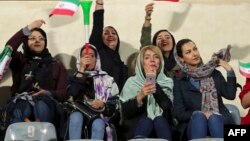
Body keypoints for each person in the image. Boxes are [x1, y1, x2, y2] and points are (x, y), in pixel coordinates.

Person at [5, 19, 67, 125]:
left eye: (41, 38)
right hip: (21, 102)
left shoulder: (56, 65)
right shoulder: (20, 60)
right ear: (26, 42)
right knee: (20, 108)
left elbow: (64, 93)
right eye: (32, 38)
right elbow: (9, 47)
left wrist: (48, 93)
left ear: (45, 42)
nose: (37, 41)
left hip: (47, 103)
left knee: (41, 105)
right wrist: (28, 28)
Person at [173, 39, 237, 140]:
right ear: (181, 58)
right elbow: (178, 113)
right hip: (194, 123)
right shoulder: (180, 81)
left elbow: (230, 95)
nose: (194, 54)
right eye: (188, 52)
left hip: (220, 120)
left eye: (195, 49)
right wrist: (200, 113)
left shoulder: (214, 74)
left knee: (214, 118)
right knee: (199, 117)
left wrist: (228, 69)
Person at [120, 45, 174, 141]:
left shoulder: (167, 81)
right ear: (141, 62)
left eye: (156, 57)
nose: (152, 60)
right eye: (147, 57)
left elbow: (167, 106)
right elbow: (125, 112)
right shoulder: (132, 82)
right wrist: (140, 97)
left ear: (160, 62)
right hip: (136, 126)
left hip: (162, 126)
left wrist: (151, 80)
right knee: (146, 121)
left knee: (159, 120)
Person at [66, 44, 119, 140]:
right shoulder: (72, 79)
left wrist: (103, 106)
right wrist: (81, 71)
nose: (88, 58)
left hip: (99, 117)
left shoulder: (108, 80)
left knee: (99, 123)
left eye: (92, 55)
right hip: (77, 116)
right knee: (76, 116)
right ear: (79, 59)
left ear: (97, 59)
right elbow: (72, 94)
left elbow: (115, 107)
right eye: (84, 56)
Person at [89, 0, 128, 91]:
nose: (110, 35)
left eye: (114, 33)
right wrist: (99, 3)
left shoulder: (122, 65)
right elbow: (97, 25)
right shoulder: (98, 52)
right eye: (106, 33)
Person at [140, 2, 180, 78]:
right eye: (160, 38)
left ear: (173, 42)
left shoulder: (181, 60)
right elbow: (145, 40)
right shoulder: (152, 62)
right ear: (154, 44)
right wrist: (147, 17)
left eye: (167, 37)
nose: (164, 39)